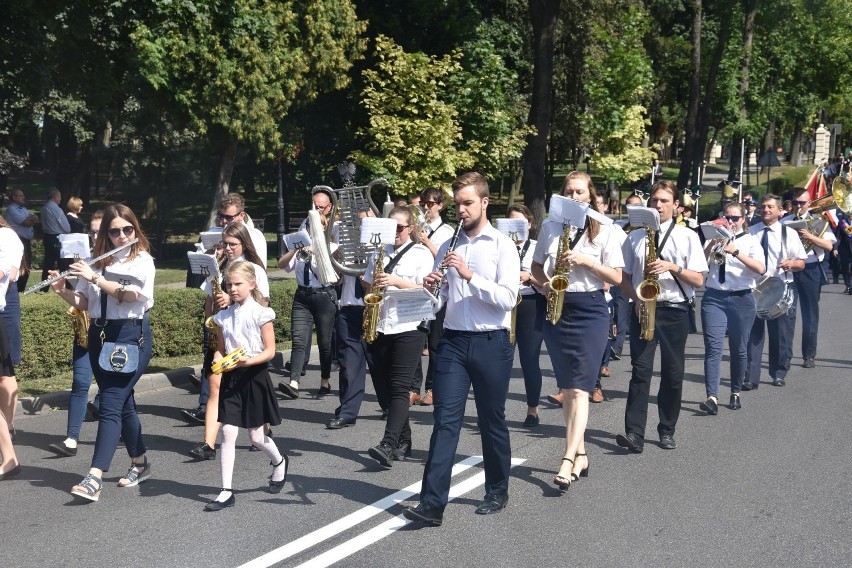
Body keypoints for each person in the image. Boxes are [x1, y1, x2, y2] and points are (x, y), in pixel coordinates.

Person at [402, 172, 520, 526]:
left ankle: (497, 489)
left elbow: (507, 299)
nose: (462, 210)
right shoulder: (451, 245)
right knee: (445, 422)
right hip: (452, 341)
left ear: (485, 202)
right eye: (458, 204)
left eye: (468, 203)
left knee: (491, 420)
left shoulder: (502, 245)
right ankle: (432, 503)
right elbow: (440, 303)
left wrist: (469, 276)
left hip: (491, 341)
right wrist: (431, 288)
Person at [49, 204, 155, 502]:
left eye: (128, 229)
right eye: (114, 231)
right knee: (123, 404)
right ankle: (140, 462)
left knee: (109, 403)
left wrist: (96, 278)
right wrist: (62, 289)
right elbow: (83, 302)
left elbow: (131, 295)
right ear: (104, 235)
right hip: (99, 334)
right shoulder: (95, 261)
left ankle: (94, 476)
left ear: (135, 229)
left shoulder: (142, 261)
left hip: (131, 334)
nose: (122, 236)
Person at [531, 172, 623, 490]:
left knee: (582, 388)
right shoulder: (550, 226)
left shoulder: (605, 228)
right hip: (558, 307)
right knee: (568, 388)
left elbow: (616, 275)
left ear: (589, 195)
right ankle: (581, 453)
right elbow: (535, 266)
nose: (574, 195)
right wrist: (544, 287)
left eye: (580, 191)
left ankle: (567, 458)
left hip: (592, 308)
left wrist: (585, 261)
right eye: (569, 190)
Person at [615, 180, 708, 453]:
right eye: (655, 200)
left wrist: (672, 267)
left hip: (674, 309)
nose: (658, 205)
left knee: (672, 373)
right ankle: (634, 433)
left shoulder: (688, 236)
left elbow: (699, 280)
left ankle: (667, 429)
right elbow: (624, 278)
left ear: (677, 206)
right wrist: (636, 299)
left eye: (664, 201)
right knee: (640, 372)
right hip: (644, 308)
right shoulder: (635, 236)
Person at [203, 261, 287, 511]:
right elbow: (219, 349)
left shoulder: (261, 313)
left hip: (254, 376)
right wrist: (219, 359)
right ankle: (226, 490)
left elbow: (270, 351)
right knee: (228, 431)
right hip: (232, 377)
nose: (233, 288)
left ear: (252, 284)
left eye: (238, 284)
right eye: (230, 284)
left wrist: (247, 361)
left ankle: (279, 461)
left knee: (256, 436)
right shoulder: (223, 316)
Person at [188, 222, 270, 460]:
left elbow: (264, 304)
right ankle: (209, 444)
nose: (228, 248)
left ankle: (263, 429)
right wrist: (209, 324)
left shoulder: (254, 269)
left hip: (246, 339)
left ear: (244, 243)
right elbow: (208, 300)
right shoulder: (219, 266)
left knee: (251, 389)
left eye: (233, 244)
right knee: (215, 387)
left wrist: (232, 299)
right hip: (221, 334)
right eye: (225, 243)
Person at [364, 206, 433, 466]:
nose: (394, 233)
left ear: (410, 228)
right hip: (381, 324)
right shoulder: (378, 253)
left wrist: (395, 281)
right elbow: (370, 286)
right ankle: (405, 440)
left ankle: (388, 443)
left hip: (409, 326)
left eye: (400, 228)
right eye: (390, 228)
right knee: (384, 390)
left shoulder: (420, 254)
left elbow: (426, 288)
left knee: (400, 387)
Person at [47, 213, 106, 456]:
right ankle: (71, 439)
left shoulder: (125, 262)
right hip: (88, 329)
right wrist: (62, 290)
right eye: (92, 232)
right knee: (80, 383)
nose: (95, 236)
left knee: (113, 387)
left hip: (112, 331)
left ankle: (125, 431)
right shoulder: (89, 260)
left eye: (99, 231)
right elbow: (82, 301)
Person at [699, 203, 764, 414]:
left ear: (743, 219)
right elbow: (701, 263)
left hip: (741, 299)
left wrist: (735, 251)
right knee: (713, 347)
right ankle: (712, 397)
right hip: (714, 297)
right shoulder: (714, 239)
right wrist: (712, 244)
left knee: (739, 348)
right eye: (727, 217)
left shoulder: (751, 242)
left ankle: (735, 391)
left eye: (735, 218)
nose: (730, 222)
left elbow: (760, 269)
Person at [744, 195, 806, 390]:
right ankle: (751, 377)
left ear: (780, 211)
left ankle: (779, 372)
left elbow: (801, 263)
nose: (766, 210)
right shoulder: (751, 232)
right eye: (763, 206)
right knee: (753, 334)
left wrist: (791, 263)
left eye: (770, 207)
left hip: (781, 287)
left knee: (781, 334)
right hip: (755, 287)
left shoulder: (789, 233)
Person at [278, 211, 338, 399]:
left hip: (324, 295)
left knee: (324, 342)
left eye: (313, 225)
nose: (309, 229)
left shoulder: (333, 247)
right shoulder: (299, 248)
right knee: (299, 340)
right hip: (302, 295)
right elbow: (282, 265)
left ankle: (325, 380)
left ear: (323, 228)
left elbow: (331, 274)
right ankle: (293, 382)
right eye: (307, 225)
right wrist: (294, 250)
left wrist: (318, 252)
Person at [413, 187, 456, 407]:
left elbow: (445, 259)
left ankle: (432, 388)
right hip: (417, 287)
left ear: (440, 205)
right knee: (415, 340)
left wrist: (427, 242)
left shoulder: (447, 231)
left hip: (439, 290)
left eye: (430, 204)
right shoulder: (416, 227)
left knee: (436, 343)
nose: (426, 208)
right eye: (423, 204)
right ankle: (413, 387)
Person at [506, 205, 546, 425]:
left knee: (529, 360)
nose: (516, 227)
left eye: (520, 223)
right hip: (504, 303)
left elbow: (549, 283)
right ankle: (495, 409)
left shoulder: (537, 247)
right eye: (511, 222)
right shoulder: (500, 246)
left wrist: (529, 277)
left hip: (530, 302)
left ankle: (533, 410)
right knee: (501, 359)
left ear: (529, 225)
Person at [789, 188, 835, 368]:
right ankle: (785, 356)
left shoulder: (820, 221)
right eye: (795, 203)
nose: (798, 206)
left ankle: (809, 355)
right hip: (790, 268)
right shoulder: (785, 221)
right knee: (788, 314)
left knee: (810, 315)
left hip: (811, 269)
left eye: (802, 203)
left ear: (809, 203)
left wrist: (809, 236)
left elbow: (829, 246)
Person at [0, 216, 23, 455]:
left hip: (3, 306)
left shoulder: (6, 236)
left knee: (5, 370)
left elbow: (7, 271)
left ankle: (7, 427)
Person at [5, 189, 38, 292]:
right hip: (18, 239)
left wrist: (31, 219)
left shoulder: (23, 209)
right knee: (21, 265)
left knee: (27, 265)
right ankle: (17, 289)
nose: (23, 197)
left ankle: (21, 289)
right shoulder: (11, 209)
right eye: (20, 196)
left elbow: (36, 217)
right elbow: (26, 223)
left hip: (26, 240)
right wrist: (30, 220)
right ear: (14, 197)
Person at [39, 189, 71, 283]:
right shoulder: (56, 209)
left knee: (48, 263)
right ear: (55, 197)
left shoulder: (44, 208)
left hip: (48, 238)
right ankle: (66, 285)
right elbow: (66, 227)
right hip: (57, 238)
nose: (60, 198)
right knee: (63, 263)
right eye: (60, 196)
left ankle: (44, 286)